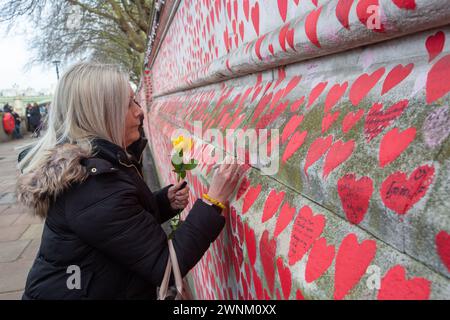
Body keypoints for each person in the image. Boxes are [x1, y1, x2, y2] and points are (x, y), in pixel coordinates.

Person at [16, 62, 242, 300]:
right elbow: (166, 266)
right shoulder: (94, 187)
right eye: (129, 104)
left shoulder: (97, 163)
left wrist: (163, 202)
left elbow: (121, 225)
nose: (139, 111)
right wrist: (213, 202)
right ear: (102, 115)